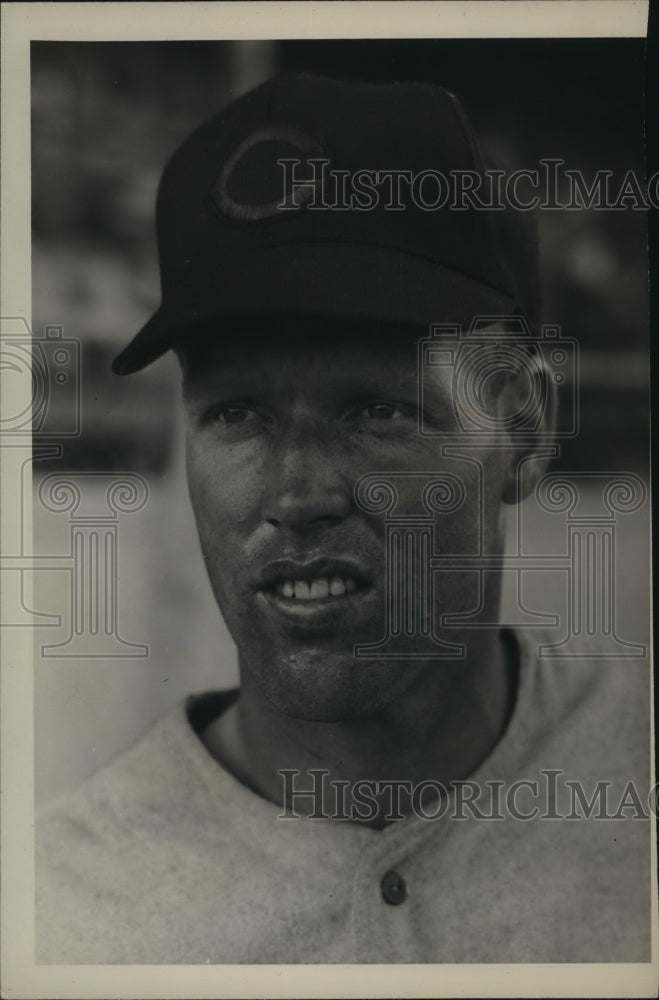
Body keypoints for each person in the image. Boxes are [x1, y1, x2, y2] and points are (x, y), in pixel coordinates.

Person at [36, 72, 649, 964]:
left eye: (376, 410)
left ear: (524, 429)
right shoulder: (63, 911)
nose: (296, 498)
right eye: (237, 413)